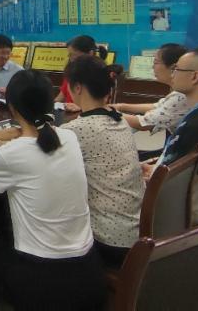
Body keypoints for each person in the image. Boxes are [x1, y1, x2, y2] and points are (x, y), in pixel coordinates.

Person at [0, 70, 105, 310]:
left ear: (12, 108)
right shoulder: (69, 137)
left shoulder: (10, 154)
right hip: (89, 272)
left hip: (42, 281)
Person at [60, 56, 143, 268]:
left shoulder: (76, 130)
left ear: (77, 88)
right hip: (134, 230)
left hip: (108, 241)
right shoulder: (119, 119)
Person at [142, 48, 198, 225]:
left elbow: (168, 180)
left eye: (177, 69)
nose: (173, 74)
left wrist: (147, 174)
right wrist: (153, 169)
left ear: (195, 76)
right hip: (186, 199)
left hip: (176, 211)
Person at [112, 44, 191, 135]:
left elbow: (145, 123)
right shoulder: (180, 91)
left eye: (156, 62)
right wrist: (121, 106)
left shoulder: (181, 96)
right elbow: (159, 106)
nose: (152, 67)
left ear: (173, 68)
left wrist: (108, 112)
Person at [58, 35, 109, 110]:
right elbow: (60, 97)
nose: (70, 58)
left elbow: (101, 105)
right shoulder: (71, 73)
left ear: (90, 53)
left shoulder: (99, 76)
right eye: (69, 55)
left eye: (73, 54)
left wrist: (80, 107)